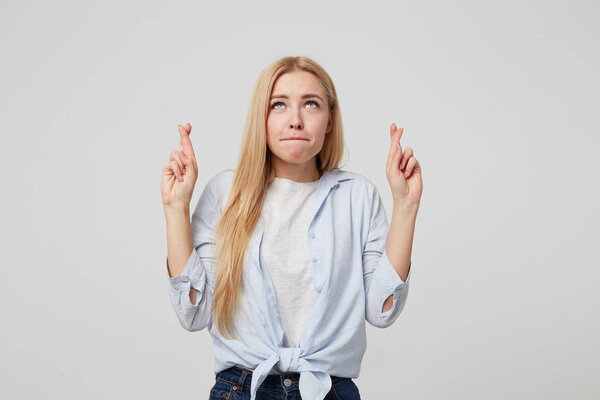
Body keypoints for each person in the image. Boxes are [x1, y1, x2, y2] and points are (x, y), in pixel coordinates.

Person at [160, 56, 422, 400]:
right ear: (261, 118)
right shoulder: (225, 193)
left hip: (330, 390)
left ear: (329, 119)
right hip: (241, 389)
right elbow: (193, 314)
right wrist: (175, 207)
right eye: (278, 105)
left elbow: (382, 311)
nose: (295, 121)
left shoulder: (358, 196)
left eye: (310, 104)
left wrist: (406, 205)